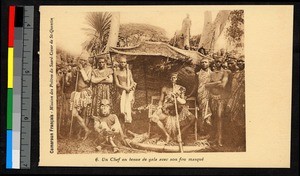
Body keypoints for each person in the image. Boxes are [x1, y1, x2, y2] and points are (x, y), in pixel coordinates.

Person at [150, 72, 196, 143]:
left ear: (177, 79)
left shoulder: (181, 88)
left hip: (178, 109)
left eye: (174, 77)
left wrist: (177, 97)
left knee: (193, 119)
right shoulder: (165, 89)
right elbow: (161, 100)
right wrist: (159, 107)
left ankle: (179, 135)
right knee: (154, 118)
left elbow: (183, 101)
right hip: (166, 110)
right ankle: (167, 135)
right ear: (169, 79)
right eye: (171, 77)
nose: (172, 79)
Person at [206, 56, 229, 146]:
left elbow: (223, 85)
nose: (217, 63)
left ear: (222, 62)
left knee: (219, 117)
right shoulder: (211, 73)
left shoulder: (225, 73)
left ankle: (220, 139)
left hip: (220, 98)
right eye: (216, 62)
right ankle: (214, 138)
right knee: (214, 117)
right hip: (212, 97)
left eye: (219, 62)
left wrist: (213, 84)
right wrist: (217, 82)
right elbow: (206, 85)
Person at [69, 56, 93, 140]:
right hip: (77, 93)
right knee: (74, 114)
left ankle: (80, 133)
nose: (82, 61)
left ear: (86, 61)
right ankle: (86, 130)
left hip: (85, 93)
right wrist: (75, 72)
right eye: (81, 60)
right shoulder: (77, 68)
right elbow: (73, 80)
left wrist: (82, 69)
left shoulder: (89, 68)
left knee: (83, 114)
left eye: (84, 60)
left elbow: (87, 80)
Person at [226, 57, 245, 148]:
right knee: (232, 119)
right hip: (233, 98)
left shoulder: (246, 73)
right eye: (239, 61)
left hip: (241, 99)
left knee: (240, 120)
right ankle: (235, 141)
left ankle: (241, 142)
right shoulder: (235, 74)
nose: (240, 62)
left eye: (242, 61)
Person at [114, 56, 137, 123]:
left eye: (124, 62)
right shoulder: (116, 72)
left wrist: (129, 88)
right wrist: (125, 88)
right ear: (119, 63)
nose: (123, 64)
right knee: (121, 104)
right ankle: (122, 116)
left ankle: (127, 118)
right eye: (121, 62)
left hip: (129, 90)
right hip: (121, 90)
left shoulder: (128, 71)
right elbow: (117, 84)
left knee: (128, 103)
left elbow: (132, 81)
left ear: (126, 63)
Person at [196, 57, 213, 135]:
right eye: (202, 62)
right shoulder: (197, 74)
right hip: (200, 94)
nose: (204, 64)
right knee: (201, 111)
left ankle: (208, 130)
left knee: (209, 111)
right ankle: (201, 130)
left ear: (209, 63)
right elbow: (195, 85)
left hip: (210, 94)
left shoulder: (212, 73)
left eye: (206, 62)